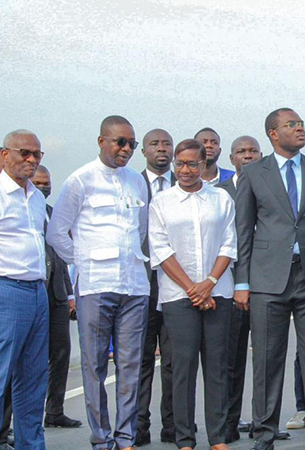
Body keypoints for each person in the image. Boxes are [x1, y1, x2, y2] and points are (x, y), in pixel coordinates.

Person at [234, 108, 305, 450]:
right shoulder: (253, 173)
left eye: (301, 124)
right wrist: (241, 282)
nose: (299, 129)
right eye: (291, 125)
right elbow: (244, 231)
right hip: (267, 280)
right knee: (267, 360)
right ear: (272, 133)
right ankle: (264, 434)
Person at [47, 115, 149, 450]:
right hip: (95, 286)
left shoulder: (137, 181)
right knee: (93, 366)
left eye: (132, 144)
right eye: (120, 142)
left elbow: (142, 230)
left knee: (131, 365)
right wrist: (85, 260)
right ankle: (101, 438)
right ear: (102, 141)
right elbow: (57, 232)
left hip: (134, 285)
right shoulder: (80, 180)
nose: (127, 149)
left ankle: (125, 437)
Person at [148, 138, 236, 450]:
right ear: (174, 164)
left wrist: (209, 282)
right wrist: (192, 289)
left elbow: (229, 244)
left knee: (216, 367)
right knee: (182, 367)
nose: (186, 170)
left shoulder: (221, 199)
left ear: (204, 165)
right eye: (180, 163)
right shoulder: (161, 203)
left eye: (193, 164)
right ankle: (184, 438)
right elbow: (160, 250)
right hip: (177, 296)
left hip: (217, 293)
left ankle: (217, 436)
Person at [0, 130, 49, 450]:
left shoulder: (36, 198)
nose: (31, 160)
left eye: (37, 154)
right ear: (5, 154)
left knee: (34, 383)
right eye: (24, 153)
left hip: (37, 293)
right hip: (4, 292)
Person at [216, 135, 262, 443]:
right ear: (231, 159)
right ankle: (228, 425)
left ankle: (263, 424)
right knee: (230, 361)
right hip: (231, 285)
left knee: (266, 360)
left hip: (268, 285)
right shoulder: (219, 193)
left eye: (252, 151)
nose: (247, 156)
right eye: (241, 152)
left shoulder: (274, 187)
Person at [28, 165, 82, 430]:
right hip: (31, 292)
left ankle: (55, 411)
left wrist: (71, 294)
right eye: (37, 183)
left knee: (61, 353)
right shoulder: (23, 211)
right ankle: (17, 420)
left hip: (58, 294)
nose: (42, 187)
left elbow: (61, 259)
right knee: (28, 357)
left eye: (46, 183)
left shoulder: (51, 214)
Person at [136, 129, 176, 446]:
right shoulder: (130, 183)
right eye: (154, 144)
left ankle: (173, 426)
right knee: (141, 358)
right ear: (143, 151)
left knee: (175, 358)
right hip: (141, 283)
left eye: (166, 144)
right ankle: (138, 426)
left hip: (177, 282)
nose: (161, 149)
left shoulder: (186, 183)